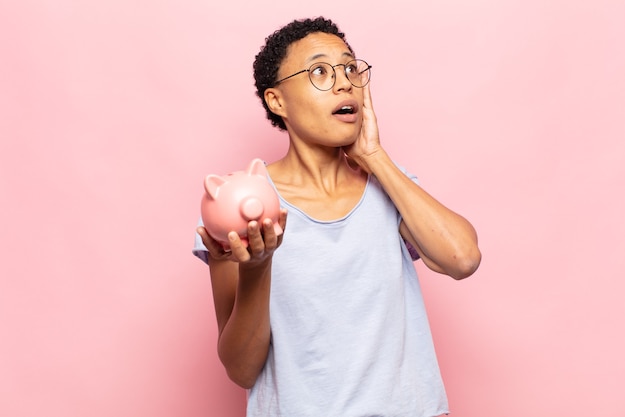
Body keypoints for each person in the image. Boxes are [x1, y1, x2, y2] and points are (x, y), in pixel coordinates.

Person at [193, 16, 481, 417]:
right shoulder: (239, 203)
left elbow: (463, 258)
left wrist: (375, 157)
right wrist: (258, 268)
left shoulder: (389, 187)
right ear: (277, 101)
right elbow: (241, 369)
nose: (345, 82)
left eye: (350, 68)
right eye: (320, 72)